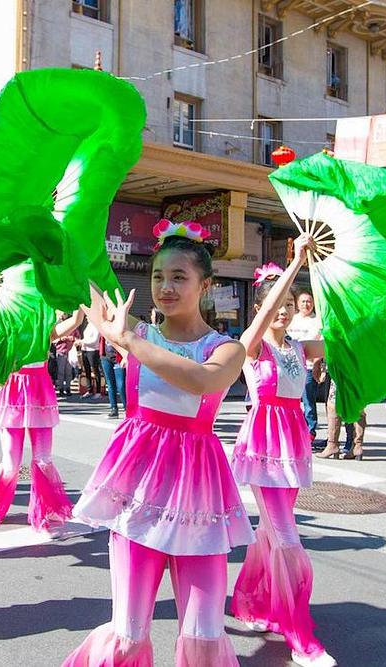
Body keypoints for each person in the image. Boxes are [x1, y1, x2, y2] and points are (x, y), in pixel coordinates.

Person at [65, 225, 252, 666]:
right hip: (137, 498)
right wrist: (62, 227)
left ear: (205, 285)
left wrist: (131, 340)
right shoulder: (136, 331)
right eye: (157, 276)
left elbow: (202, 380)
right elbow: (80, 277)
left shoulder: (226, 349)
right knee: (128, 635)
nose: (165, 287)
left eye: (179, 277)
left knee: (204, 637)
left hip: (199, 501)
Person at [230, 235, 336, 667]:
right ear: (262, 307)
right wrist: (296, 261)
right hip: (263, 448)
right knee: (289, 540)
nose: (286, 310)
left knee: (271, 533)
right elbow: (264, 317)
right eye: (279, 303)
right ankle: (299, 635)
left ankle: (252, 600)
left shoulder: (299, 346)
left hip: (292, 446)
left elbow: (340, 341)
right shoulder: (253, 344)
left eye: (291, 304)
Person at [0, 309, 84, 535]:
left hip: (40, 395)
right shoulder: (8, 326)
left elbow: (76, 320)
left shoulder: (45, 330)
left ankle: (43, 513)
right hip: (14, 394)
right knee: (11, 463)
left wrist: (81, 297)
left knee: (43, 460)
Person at [286, 290, 323, 441]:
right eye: (303, 301)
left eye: (309, 301)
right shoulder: (291, 319)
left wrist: (317, 364)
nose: (306, 304)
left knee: (308, 400)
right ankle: (293, 431)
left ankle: (310, 432)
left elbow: (322, 344)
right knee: (290, 400)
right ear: (297, 304)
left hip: (308, 367)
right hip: (290, 365)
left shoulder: (318, 321)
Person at [320, 379, 366, 460]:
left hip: (340, 374)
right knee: (358, 405)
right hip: (358, 375)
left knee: (333, 404)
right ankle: (357, 446)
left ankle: (332, 444)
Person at [53, 312, 79, 397]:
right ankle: (60, 388)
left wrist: (73, 338)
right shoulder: (58, 326)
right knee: (60, 371)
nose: (64, 315)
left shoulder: (72, 326)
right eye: (63, 314)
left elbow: (78, 337)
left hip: (70, 351)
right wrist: (61, 338)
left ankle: (68, 388)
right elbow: (53, 339)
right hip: (61, 350)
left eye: (65, 314)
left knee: (69, 371)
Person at [99, 335, 126, 419]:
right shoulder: (103, 327)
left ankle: (127, 409)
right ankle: (114, 409)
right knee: (110, 384)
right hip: (105, 356)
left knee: (121, 385)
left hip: (118, 356)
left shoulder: (118, 327)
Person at [79, 319, 103, 399]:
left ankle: (98, 391)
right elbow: (86, 338)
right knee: (87, 370)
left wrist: (82, 342)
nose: (87, 318)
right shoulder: (88, 325)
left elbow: (94, 341)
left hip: (93, 350)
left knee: (95, 370)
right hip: (85, 350)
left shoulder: (96, 326)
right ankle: (89, 390)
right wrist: (82, 343)